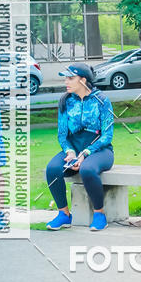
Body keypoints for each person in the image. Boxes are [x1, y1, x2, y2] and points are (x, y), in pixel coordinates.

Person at [45, 63, 114, 232]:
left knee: (87, 170)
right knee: (53, 169)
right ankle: (64, 214)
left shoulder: (102, 100)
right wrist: (70, 152)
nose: (66, 82)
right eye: (65, 78)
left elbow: (107, 135)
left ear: (83, 80)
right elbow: (62, 134)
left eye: (70, 78)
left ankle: (99, 214)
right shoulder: (65, 101)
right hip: (73, 148)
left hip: (100, 150)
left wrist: (85, 153)